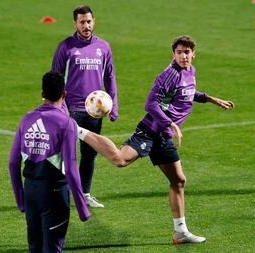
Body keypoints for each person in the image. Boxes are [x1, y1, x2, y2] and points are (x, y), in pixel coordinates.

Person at [76, 35, 234, 244]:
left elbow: (188, 92)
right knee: (119, 160)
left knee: (178, 181)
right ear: (173, 54)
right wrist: (170, 123)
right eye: (179, 52)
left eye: (187, 52)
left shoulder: (189, 72)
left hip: (164, 136)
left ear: (193, 54)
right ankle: (77, 130)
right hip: (151, 131)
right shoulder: (170, 74)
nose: (183, 56)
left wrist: (212, 99)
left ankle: (180, 232)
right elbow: (150, 103)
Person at [9, 72, 90, 253]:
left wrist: (21, 200)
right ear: (64, 94)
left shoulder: (26, 119)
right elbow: (70, 169)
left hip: (30, 192)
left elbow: (13, 163)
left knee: (35, 248)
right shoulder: (67, 124)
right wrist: (82, 208)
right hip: (54, 195)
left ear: (42, 93)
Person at [50, 5, 118, 208]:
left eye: (89, 21)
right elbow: (55, 78)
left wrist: (113, 105)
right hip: (70, 110)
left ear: (94, 21)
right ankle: (57, 193)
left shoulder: (104, 47)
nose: (86, 25)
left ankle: (84, 194)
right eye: (82, 22)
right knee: (64, 153)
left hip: (94, 111)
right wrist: (57, 107)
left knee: (89, 154)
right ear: (75, 23)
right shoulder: (66, 47)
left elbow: (110, 76)